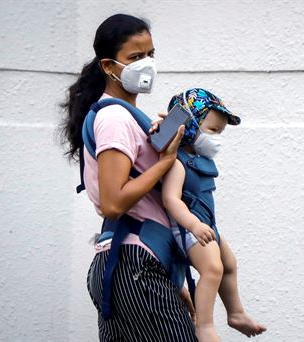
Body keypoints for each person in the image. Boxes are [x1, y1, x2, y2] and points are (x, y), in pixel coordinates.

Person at [60, 14, 198, 341]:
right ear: (109, 67)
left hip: (133, 264)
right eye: (135, 57)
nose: (147, 64)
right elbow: (112, 203)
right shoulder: (114, 119)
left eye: (150, 54)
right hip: (134, 267)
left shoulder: (128, 117)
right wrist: (165, 163)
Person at [160, 88, 267, 341]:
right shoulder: (178, 162)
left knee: (229, 264)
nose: (218, 138)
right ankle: (204, 326)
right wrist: (194, 225)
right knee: (213, 269)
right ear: (189, 126)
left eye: (221, 132)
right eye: (213, 131)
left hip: (207, 227)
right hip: (189, 228)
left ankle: (236, 313)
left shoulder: (200, 160)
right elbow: (170, 199)